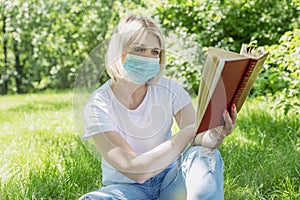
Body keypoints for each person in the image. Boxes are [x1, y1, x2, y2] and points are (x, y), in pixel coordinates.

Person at [79, 15, 237, 200]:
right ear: (118, 52)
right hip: (127, 190)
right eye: (139, 49)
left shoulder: (169, 89)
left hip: (171, 183)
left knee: (205, 154)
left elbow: (200, 138)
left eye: (155, 52)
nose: (148, 57)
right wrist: (187, 132)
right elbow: (136, 170)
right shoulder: (98, 105)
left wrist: (217, 133)